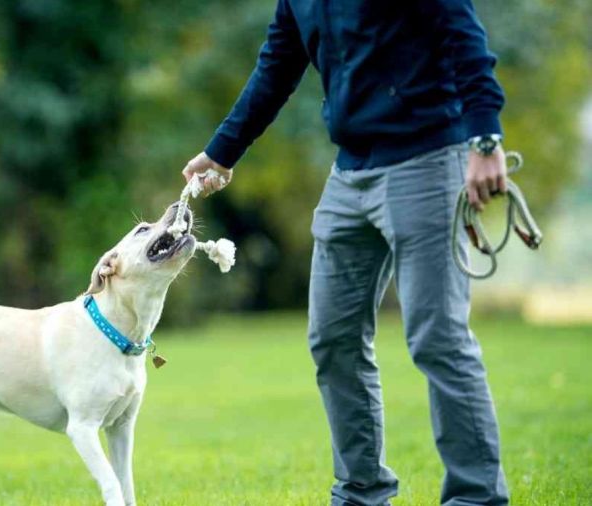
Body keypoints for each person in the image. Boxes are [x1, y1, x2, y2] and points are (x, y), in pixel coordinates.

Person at [183, 1, 510, 505]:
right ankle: (361, 493)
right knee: (332, 338)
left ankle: (476, 497)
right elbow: (277, 65)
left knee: (437, 338)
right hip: (351, 171)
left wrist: (485, 139)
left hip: (427, 161)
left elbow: (463, 35)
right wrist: (224, 151)